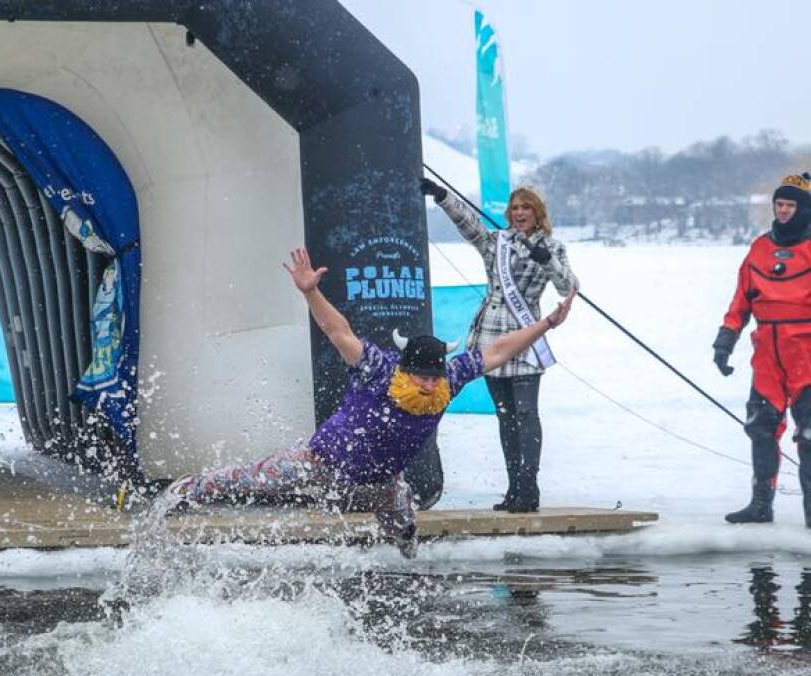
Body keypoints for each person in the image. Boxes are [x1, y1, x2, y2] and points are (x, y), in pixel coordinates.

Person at [155, 247, 577, 555]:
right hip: (320, 463)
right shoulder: (379, 369)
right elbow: (339, 332)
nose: (430, 386)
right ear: (407, 369)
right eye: (422, 377)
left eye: (434, 378)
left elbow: (499, 350)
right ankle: (186, 489)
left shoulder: (450, 377)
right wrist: (310, 294)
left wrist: (546, 324)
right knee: (249, 479)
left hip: (380, 481)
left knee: (405, 530)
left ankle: (407, 570)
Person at [420, 178, 579, 513]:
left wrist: (547, 260)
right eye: (515, 207)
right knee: (505, 416)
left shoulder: (553, 246)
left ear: (538, 212)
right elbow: (469, 225)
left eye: (526, 207)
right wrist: (444, 196)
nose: (519, 212)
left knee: (525, 412)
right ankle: (513, 489)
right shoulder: (498, 241)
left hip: (525, 337)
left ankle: (528, 488)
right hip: (491, 338)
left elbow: (569, 286)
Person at [712, 172, 811, 525]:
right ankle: (760, 505)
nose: (783, 210)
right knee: (761, 427)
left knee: (809, 434)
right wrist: (726, 340)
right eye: (779, 204)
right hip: (767, 354)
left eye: (790, 205)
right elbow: (741, 300)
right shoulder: (759, 248)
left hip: (806, 355)